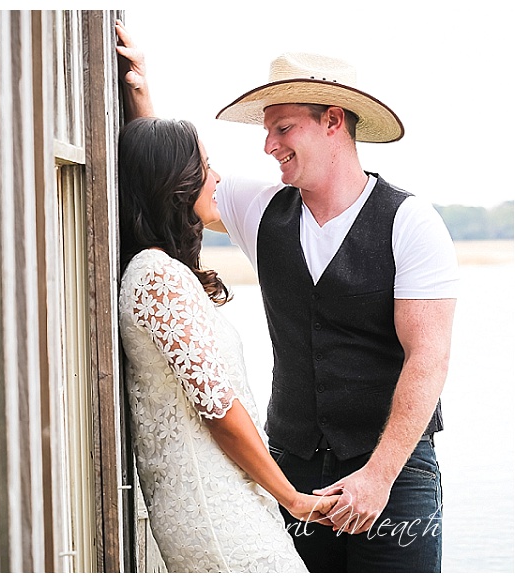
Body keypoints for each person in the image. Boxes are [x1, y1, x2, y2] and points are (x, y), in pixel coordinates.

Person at [116, 21, 458, 573]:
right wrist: (140, 93)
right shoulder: (262, 209)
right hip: (292, 468)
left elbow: (429, 359)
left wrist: (378, 475)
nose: (268, 145)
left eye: (283, 127)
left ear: (332, 121)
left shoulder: (409, 222)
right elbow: (168, 176)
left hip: (396, 475)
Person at [118, 116, 337, 573]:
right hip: (216, 516)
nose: (216, 177)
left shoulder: (162, 270)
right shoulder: (158, 277)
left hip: (228, 501)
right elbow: (218, 410)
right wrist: (291, 497)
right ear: (174, 183)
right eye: (205, 165)